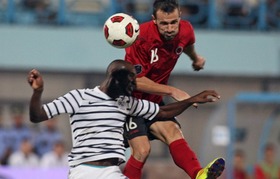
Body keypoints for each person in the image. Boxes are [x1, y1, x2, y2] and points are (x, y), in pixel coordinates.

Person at [27, 59, 221, 179]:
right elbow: (37, 116)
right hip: (84, 171)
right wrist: (38, 92)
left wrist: (192, 99)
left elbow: (163, 113)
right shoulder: (79, 97)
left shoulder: (126, 102)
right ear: (113, 79)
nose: (133, 88)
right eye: (130, 83)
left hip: (112, 172)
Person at [123, 0, 225, 179]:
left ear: (180, 18)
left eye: (173, 22)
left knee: (173, 132)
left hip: (154, 102)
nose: (170, 28)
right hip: (131, 103)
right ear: (154, 20)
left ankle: (199, 175)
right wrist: (172, 91)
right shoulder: (140, 39)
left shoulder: (186, 30)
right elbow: (135, 81)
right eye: (164, 23)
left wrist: (195, 58)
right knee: (142, 149)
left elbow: (186, 44)